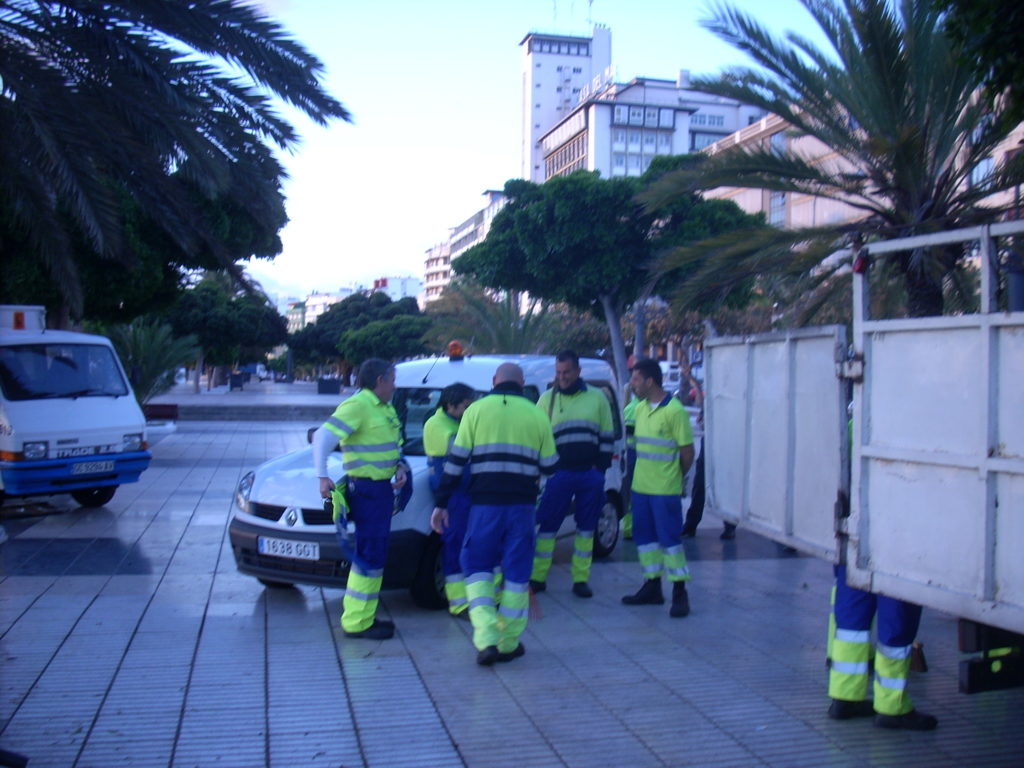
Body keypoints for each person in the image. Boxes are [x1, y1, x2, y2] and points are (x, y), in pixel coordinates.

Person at [431, 363, 558, 666]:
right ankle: (509, 641)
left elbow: (455, 462)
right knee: (516, 572)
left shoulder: (475, 411)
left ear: (494, 382)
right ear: (522, 384)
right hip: (522, 507)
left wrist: (441, 502)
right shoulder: (537, 414)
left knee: (476, 567)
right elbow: (551, 465)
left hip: (484, 507)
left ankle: (486, 637)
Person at [313, 358, 408, 641]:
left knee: (375, 555)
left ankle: (364, 617)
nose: (394, 386)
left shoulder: (384, 407)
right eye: (392, 380)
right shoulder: (358, 405)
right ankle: (356, 622)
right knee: (369, 555)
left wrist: (399, 468)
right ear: (380, 380)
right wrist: (321, 477)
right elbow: (322, 437)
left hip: (380, 490)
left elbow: (390, 447)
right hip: (367, 491)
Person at [528, 350, 614, 598]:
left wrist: (600, 470)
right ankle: (538, 577)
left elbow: (606, 436)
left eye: (566, 372)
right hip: (558, 475)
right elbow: (537, 438)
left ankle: (580, 579)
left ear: (578, 372)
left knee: (587, 528)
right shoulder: (546, 399)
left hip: (589, 475)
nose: (562, 377)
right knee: (547, 527)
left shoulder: (597, 398)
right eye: (558, 372)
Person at [621, 358, 695, 618]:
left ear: (650, 381)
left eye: (636, 379)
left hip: (665, 490)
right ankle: (652, 586)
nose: (633, 384)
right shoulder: (639, 409)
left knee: (670, 542)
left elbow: (687, 452)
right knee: (646, 540)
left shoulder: (674, 411)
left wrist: (677, 477)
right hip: (641, 488)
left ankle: (679, 592)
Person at [827, 565, 938, 730]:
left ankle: (844, 698)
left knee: (852, 614)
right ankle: (892, 707)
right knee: (896, 610)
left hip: (854, 543)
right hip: (897, 550)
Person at [423, 382, 476, 618]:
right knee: (455, 546)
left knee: (468, 544)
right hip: (453, 494)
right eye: (466, 405)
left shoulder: (456, 421)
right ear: (450, 405)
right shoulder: (437, 425)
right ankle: (458, 603)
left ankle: (471, 597)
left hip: (465, 492)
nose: (470, 409)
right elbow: (462, 454)